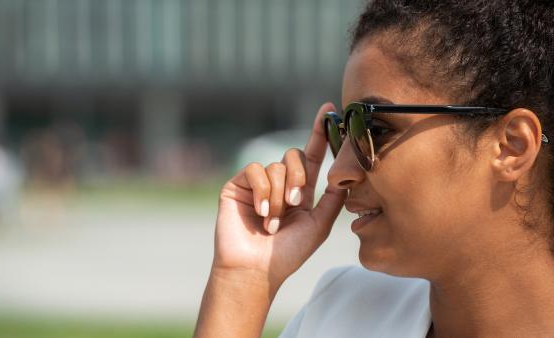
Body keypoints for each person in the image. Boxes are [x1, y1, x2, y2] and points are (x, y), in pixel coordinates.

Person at [194, 0, 554, 337]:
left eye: (374, 129)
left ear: (512, 146)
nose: (338, 174)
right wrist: (243, 279)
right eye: (341, 130)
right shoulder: (343, 313)